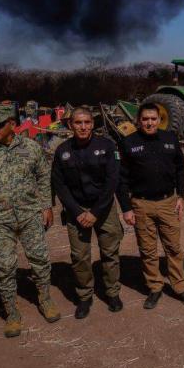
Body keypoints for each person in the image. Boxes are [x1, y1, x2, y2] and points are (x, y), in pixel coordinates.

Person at [0, 103, 60, 338]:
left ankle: (45, 299)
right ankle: (12, 313)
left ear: (12, 125)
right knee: (5, 267)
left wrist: (47, 205)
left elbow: (44, 176)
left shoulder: (30, 147)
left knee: (40, 259)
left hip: (29, 214)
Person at [117, 103, 184, 309]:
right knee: (148, 250)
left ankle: (179, 287)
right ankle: (154, 287)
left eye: (153, 119)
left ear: (159, 120)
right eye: (145, 119)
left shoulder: (169, 139)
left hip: (168, 202)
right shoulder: (128, 143)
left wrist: (181, 195)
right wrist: (126, 208)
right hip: (141, 204)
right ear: (138, 121)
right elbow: (122, 179)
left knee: (173, 248)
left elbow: (181, 167)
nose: (149, 122)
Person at [51, 106, 122, 319]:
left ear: (93, 124)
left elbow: (112, 181)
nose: (83, 127)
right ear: (70, 125)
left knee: (110, 253)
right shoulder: (62, 150)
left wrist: (96, 212)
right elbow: (59, 184)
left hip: (104, 208)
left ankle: (112, 292)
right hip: (77, 210)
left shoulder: (107, 146)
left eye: (87, 122)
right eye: (78, 123)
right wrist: (76, 210)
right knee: (80, 256)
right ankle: (84, 296)